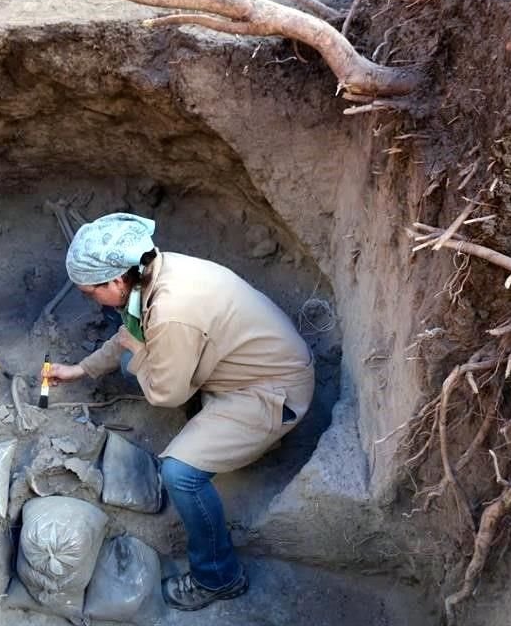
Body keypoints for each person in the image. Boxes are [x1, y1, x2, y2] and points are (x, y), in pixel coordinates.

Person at [46, 213, 314, 611]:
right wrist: (82, 369)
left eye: (90, 292)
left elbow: (165, 394)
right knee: (129, 361)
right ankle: (232, 437)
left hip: (271, 394)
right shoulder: (152, 270)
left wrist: (139, 355)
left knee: (180, 474)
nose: (90, 298)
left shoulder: (171, 313)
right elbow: (130, 335)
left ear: (117, 281)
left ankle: (219, 578)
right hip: (247, 364)